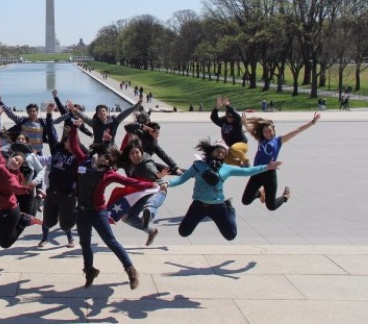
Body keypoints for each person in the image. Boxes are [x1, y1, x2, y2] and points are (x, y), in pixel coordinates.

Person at [73, 120, 151, 290]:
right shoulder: (84, 163)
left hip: (97, 211)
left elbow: (130, 181)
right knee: (85, 243)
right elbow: (73, 145)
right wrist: (73, 127)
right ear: (100, 154)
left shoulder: (109, 174)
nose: (108, 160)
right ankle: (89, 270)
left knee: (110, 241)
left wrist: (151, 185)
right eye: (106, 156)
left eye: (111, 159)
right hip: (81, 212)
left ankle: (131, 270)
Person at [162, 139, 281, 240]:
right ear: (212, 151)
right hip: (198, 205)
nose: (220, 154)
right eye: (218, 151)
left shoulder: (226, 168)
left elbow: (247, 172)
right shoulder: (198, 166)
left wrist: (267, 167)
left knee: (231, 235)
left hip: (218, 206)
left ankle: (231, 211)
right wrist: (168, 183)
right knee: (183, 232)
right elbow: (183, 178)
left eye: (223, 153)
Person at [240, 113, 320, 210]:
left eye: (269, 130)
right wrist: (244, 122)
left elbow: (297, 130)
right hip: (257, 172)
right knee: (246, 200)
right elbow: (250, 129)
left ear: (273, 130)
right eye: (265, 131)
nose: (267, 133)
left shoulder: (278, 141)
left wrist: (312, 122)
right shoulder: (261, 139)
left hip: (269, 175)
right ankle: (261, 193)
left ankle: (285, 196)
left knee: (271, 206)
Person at [0, 112, 42, 249]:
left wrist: (29, 187)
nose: (17, 163)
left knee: (5, 244)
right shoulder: (0, 162)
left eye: (19, 163)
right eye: (16, 160)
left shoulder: (11, 177)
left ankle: (23, 222)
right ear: (12, 156)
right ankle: (23, 218)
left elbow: (16, 188)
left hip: (11, 210)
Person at [38, 102, 82, 248]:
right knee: (49, 221)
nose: (69, 143)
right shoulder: (57, 150)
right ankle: (44, 238)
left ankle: (79, 213)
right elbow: (50, 132)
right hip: (52, 192)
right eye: (68, 140)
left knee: (65, 225)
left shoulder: (78, 156)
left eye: (72, 141)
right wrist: (49, 114)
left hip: (68, 195)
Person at [209, 97, 249, 166]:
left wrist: (227, 106)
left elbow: (237, 116)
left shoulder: (237, 122)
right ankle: (239, 164)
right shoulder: (223, 121)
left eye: (232, 117)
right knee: (222, 158)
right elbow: (213, 118)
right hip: (231, 149)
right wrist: (217, 108)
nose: (230, 118)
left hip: (242, 145)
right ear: (226, 115)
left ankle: (246, 161)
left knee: (234, 148)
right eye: (228, 116)